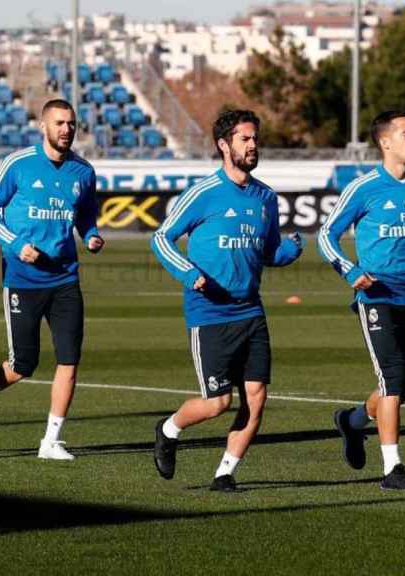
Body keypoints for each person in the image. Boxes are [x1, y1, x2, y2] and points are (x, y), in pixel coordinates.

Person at [150, 109, 303, 492]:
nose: (252, 146)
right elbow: (161, 238)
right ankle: (168, 430)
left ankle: (225, 473)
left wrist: (290, 251)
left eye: (255, 139)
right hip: (210, 313)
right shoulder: (204, 194)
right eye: (244, 139)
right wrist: (189, 274)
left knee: (255, 399)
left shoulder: (266, 198)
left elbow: (268, 252)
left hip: (251, 310)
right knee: (217, 403)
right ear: (224, 145)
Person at [318, 110, 405, 491]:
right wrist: (349, 270)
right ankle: (393, 468)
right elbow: (327, 235)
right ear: (385, 141)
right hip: (375, 294)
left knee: (400, 388)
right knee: (392, 381)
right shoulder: (364, 188)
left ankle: (353, 422)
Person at [0, 99, 103, 461]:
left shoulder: (84, 172)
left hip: (65, 279)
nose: (66, 130)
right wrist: (15, 244)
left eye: (71, 124)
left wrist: (90, 235)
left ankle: (51, 440)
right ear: (43, 127)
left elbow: (86, 215)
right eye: (59, 123)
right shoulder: (18, 164)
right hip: (23, 278)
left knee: (69, 359)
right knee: (23, 364)